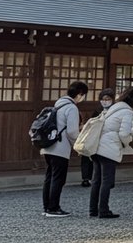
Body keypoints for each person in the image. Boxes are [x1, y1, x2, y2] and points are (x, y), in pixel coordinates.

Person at [90, 87, 133, 219]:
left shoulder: (113, 108)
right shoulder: (127, 112)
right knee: (106, 181)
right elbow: (124, 133)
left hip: (96, 146)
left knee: (96, 180)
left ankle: (93, 209)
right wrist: (127, 142)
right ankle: (104, 210)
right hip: (109, 148)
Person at [42, 80, 87, 217]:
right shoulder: (71, 108)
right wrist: (78, 145)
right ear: (79, 94)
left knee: (49, 177)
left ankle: (47, 207)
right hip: (60, 148)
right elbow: (72, 132)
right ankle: (54, 208)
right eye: (83, 94)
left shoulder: (58, 105)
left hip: (48, 146)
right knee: (58, 178)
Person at [79, 88, 116, 187]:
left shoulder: (115, 111)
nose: (105, 101)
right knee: (88, 156)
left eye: (107, 99)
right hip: (94, 137)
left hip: (106, 139)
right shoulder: (98, 110)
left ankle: (105, 180)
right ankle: (86, 178)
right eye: (103, 99)